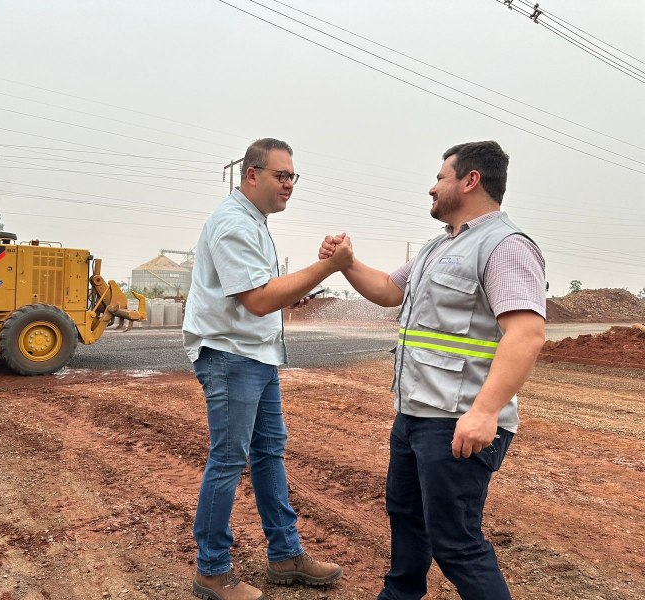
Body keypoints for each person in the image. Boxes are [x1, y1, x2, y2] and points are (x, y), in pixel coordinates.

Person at [320, 140, 546, 600]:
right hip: (416, 415)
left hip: (459, 420)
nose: (432, 187)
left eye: (441, 177)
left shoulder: (505, 246)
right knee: (406, 518)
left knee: (456, 543)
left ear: (470, 180)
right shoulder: (438, 246)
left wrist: (485, 413)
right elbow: (387, 290)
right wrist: (346, 264)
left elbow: (526, 334)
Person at [183, 137, 352, 600]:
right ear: (251, 174)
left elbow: (264, 291)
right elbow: (258, 300)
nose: (290, 185)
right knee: (228, 459)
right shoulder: (232, 224)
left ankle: (284, 554)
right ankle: (211, 571)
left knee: (268, 452)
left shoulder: (252, 222)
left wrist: (302, 281)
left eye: (293, 176)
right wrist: (327, 267)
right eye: (282, 175)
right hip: (230, 356)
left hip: (254, 355)